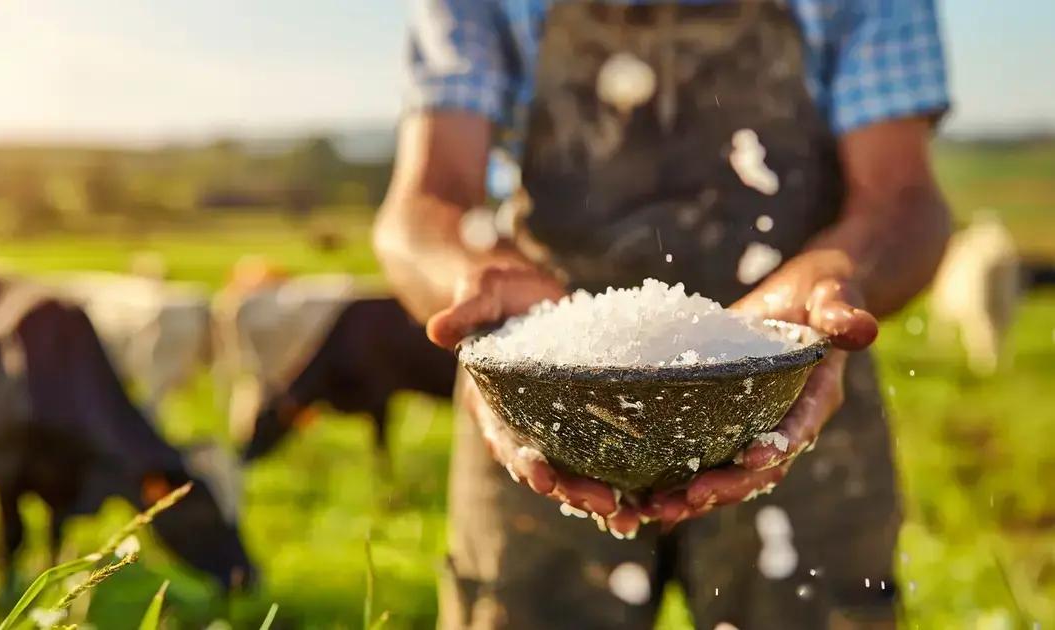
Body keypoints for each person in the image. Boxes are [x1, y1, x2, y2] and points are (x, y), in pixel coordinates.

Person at [375, 1, 952, 628]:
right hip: (546, 402)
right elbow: (428, 201)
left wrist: (846, 274)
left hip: (790, 382)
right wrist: (472, 280)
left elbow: (902, 196)